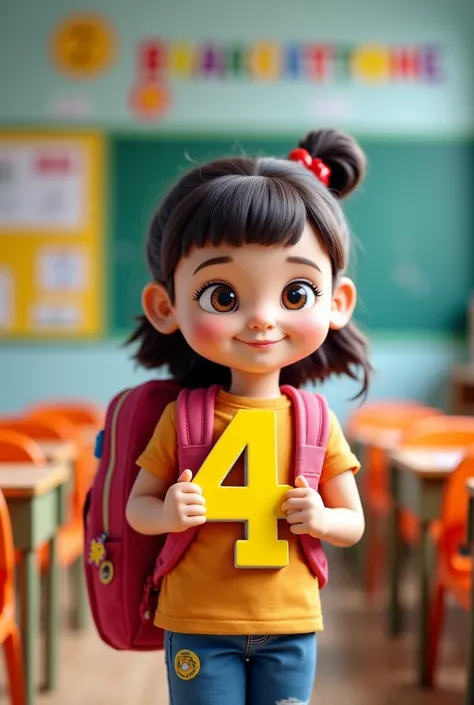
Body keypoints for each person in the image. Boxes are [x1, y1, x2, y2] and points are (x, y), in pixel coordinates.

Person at [125, 128, 371, 705]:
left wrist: (321, 517)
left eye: (294, 294)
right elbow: (138, 509)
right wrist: (168, 511)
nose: (262, 320)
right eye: (223, 296)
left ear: (336, 302)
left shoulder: (314, 419)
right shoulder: (184, 418)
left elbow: (352, 523)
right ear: (166, 308)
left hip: (292, 619)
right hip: (196, 620)